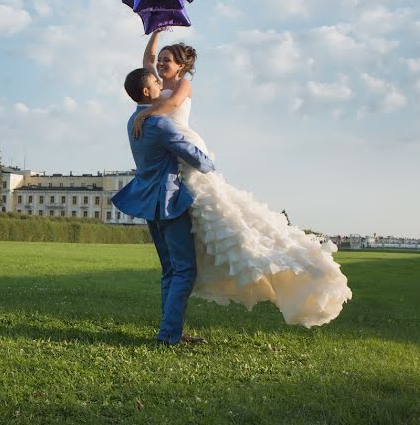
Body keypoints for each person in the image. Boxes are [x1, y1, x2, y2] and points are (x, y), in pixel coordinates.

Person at [131, 31, 352, 328]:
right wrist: (156, 34)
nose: (160, 65)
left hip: (183, 147)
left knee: (222, 223)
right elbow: (146, 63)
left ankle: (268, 259)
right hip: (171, 160)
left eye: (166, 61)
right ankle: (172, 325)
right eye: (159, 61)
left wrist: (145, 113)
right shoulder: (155, 93)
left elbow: (171, 106)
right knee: (182, 261)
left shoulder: (177, 89)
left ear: (181, 67)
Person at [112, 68, 215, 345]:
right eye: (156, 82)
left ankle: (171, 331)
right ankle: (170, 335)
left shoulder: (133, 120)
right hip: (169, 203)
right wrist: (211, 163)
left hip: (148, 203)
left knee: (170, 270)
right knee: (184, 271)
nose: (161, 82)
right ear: (147, 91)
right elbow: (196, 157)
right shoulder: (159, 124)